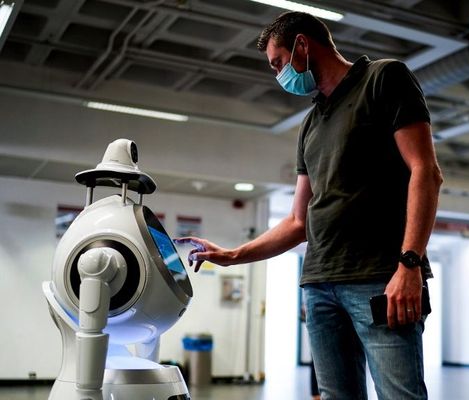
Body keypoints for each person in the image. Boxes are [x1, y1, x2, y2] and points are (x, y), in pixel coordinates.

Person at [175, 11, 442, 400]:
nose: (278, 74)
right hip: (319, 284)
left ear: (302, 45)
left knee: (400, 396)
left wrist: (410, 264)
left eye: (278, 63)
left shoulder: (383, 79)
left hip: (379, 278)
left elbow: (426, 171)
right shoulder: (311, 124)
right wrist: (233, 255)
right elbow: (299, 220)